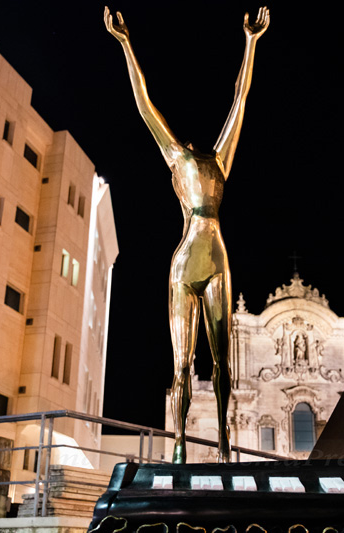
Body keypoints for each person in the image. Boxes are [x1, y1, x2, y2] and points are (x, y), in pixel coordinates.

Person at [105, 6, 270, 463]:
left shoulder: (220, 161)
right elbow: (144, 104)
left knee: (223, 364)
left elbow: (241, 98)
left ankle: (220, 445)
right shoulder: (177, 159)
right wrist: (125, 44)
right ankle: (177, 444)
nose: (195, 140)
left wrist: (251, 43)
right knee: (182, 365)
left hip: (216, 258)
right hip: (187, 260)